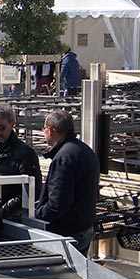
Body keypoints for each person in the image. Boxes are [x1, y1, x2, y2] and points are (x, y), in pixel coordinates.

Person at [36, 109, 99, 255]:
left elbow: (58, 204)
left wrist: (36, 216)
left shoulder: (64, 157)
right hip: (84, 227)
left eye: (44, 128)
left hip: (67, 233)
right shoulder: (84, 150)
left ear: (51, 131)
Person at [0, 104, 42, 222]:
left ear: (11, 125)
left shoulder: (25, 154)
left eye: (2, 128)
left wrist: (3, 211)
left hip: (11, 220)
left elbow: (33, 191)